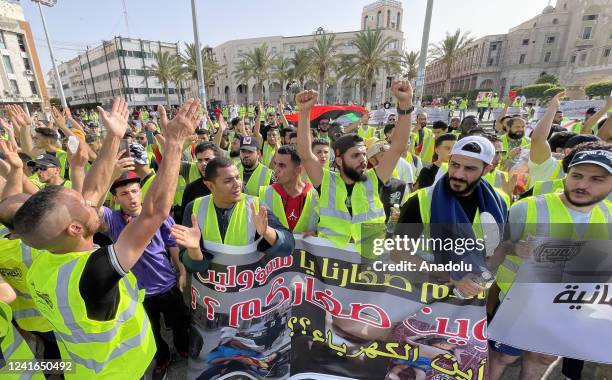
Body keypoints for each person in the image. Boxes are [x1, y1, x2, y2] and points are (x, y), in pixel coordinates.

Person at [14, 97, 202, 378]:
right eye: (82, 206)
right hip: (120, 372)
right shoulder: (91, 274)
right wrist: (174, 144)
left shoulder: (43, 255)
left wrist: (112, 137)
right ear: (75, 229)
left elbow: (91, 192)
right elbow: (153, 212)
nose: (91, 202)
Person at [490, 148, 612, 380]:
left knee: (543, 358)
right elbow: (494, 250)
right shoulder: (528, 208)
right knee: (503, 357)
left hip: (571, 305)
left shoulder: (608, 214)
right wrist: (514, 248)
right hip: (518, 304)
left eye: (597, 179)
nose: (583, 185)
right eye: (577, 175)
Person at [295, 80, 413, 252]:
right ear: (340, 160)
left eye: (364, 154)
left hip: (367, 263)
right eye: (356, 155)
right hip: (332, 264)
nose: (363, 160)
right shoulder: (326, 181)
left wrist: (405, 104)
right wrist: (304, 111)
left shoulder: (375, 178)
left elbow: (398, 147)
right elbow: (306, 154)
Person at [102, 171, 190, 379]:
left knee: (179, 322)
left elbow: (172, 246)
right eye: (124, 193)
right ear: (115, 198)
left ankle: (183, 346)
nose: (131, 197)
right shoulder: (113, 220)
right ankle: (162, 358)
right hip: (137, 293)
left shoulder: (158, 216)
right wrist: (109, 172)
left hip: (167, 285)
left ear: (141, 193)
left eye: (134, 191)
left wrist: (182, 270)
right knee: (150, 331)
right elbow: (91, 206)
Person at [396, 136, 508, 296]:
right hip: (423, 292)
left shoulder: (500, 201)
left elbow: (497, 248)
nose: (459, 175)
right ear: (448, 161)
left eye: (470, 169)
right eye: (455, 165)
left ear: (487, 169)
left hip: (472, 295)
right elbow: (398, 253)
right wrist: (452, 277)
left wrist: (482, 278)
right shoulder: (420, 200)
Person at [176, 157, 294, 272]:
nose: (237, 184)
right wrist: (194, 250)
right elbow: (193, 267)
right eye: (228, 181)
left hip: (249, 288)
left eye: (237, 177)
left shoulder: (255, 206)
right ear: (210, 185)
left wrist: (267, 232)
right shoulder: (194, 208)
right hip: (210, 291)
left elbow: (288, 247)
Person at [259, 145, 318, 234]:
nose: (275, 170)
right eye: (275, 164)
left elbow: (324, 229)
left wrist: (316, 233)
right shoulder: (265, 194)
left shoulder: (315, 196)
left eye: (282, 165)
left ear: (298, 170)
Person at [180, 142, 222, 221]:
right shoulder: (190, 189)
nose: (203, 163)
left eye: (207, 160)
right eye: (199, 160)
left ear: (218, 160)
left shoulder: (231, 184)